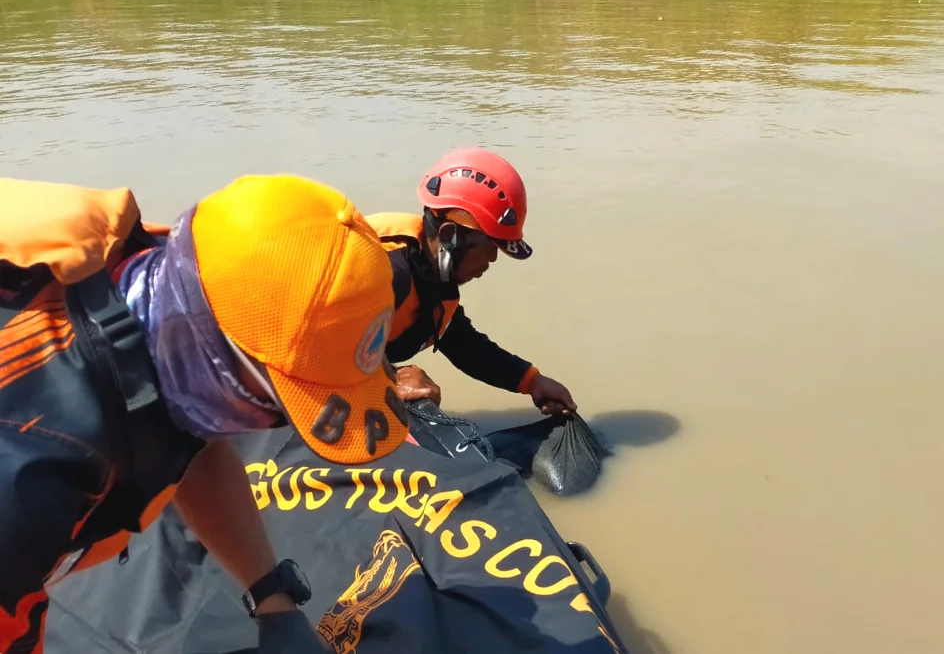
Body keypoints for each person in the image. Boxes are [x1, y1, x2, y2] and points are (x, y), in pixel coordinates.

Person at [0, 173, 413, 654]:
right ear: (225, 369)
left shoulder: (159, 288)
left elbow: (191, 435)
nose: (268, 427)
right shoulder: (29, 479)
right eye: (279, 408)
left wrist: (271, 598)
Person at [365, 147, 578, 416]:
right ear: (448, 235)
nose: (493, 259)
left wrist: (531, 381)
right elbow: (313, 351)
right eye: (490, 246)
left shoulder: (433, 274)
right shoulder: (382, 269)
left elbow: (463, 344)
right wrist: (390, 379)